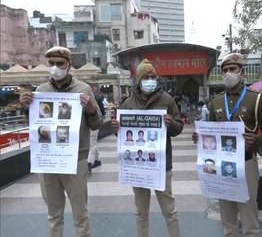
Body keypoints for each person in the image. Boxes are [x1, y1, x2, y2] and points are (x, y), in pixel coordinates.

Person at [19, 46, 103, 237]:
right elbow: (35, 126)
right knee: (54, 216)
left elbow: (97, 123)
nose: (55, 67)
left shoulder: (83, 89)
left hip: (75, 161)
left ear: (69, 65)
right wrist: (26, 108)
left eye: (60, 64)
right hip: (48, 160)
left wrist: (91, 109)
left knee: (80, 215)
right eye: (52, 64)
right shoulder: (41, 91)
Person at [192, 53, 262, 237]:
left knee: (249, 219)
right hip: (222, 166)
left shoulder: (257, 99)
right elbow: (211, 131)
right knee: (227, 219)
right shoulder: (216, 101)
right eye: (225, 71)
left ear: (242, 72)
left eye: (233, 69)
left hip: (246, 164)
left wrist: (258, 140)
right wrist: (200, 136)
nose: (228, 73)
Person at [112, 59, 183, 237]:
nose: (150, 80)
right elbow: (122, 134)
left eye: (153, 76)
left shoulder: (167, 99)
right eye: (146, 77)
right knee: (141, 212)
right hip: (138, 167)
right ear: (138, 79)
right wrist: (117, 129)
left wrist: (172, 123)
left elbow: (179, 127)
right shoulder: (128, 103)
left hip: (161, 165)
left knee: (170, 211)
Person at [88, 84, 105, 173]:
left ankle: (89, 163)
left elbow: (102, 111)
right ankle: (97, 159)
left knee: (92, 143)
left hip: (95, 124)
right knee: (93, 142)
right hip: (88, 125)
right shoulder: (84, 99)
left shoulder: (96, 99)